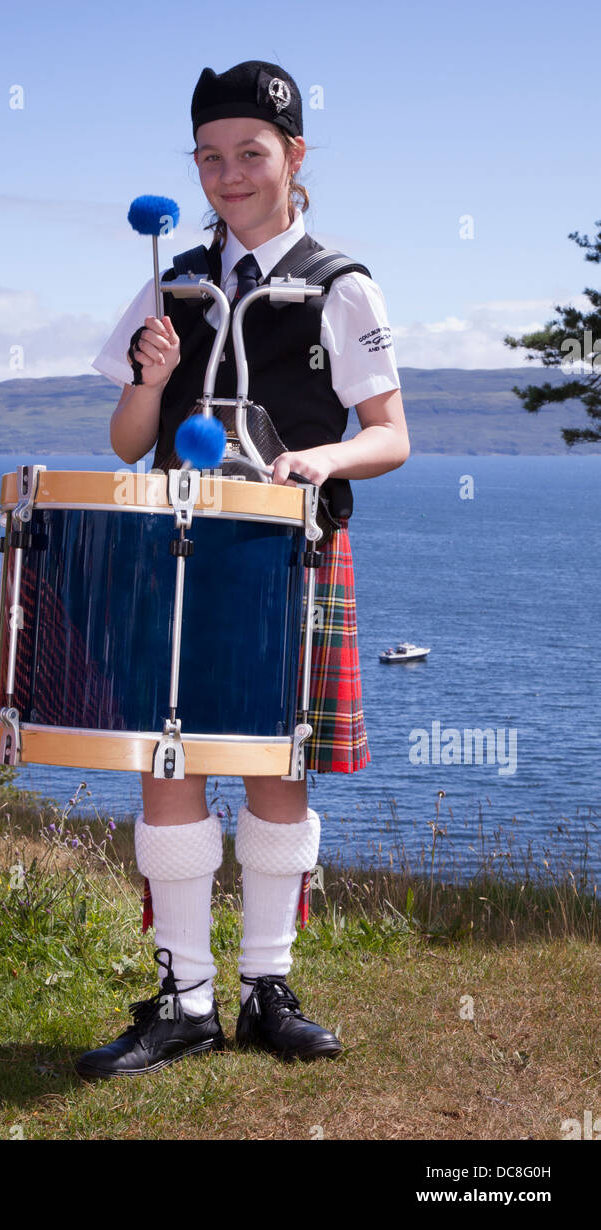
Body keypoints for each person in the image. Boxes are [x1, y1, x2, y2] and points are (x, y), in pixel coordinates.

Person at [79, 59, 410, 1079]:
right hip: (176, 549)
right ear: (193, 166)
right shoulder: (170, 278)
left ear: (293, 156)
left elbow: (389, 434)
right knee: (166, 763)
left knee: (277, 766)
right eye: (210, 158)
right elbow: (127, 440)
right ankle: (181, 1000)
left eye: (251, 154)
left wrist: (321, 457)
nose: (229, 174)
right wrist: (153, 374)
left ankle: (267, 987)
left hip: (288, 546)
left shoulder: (341, 284)